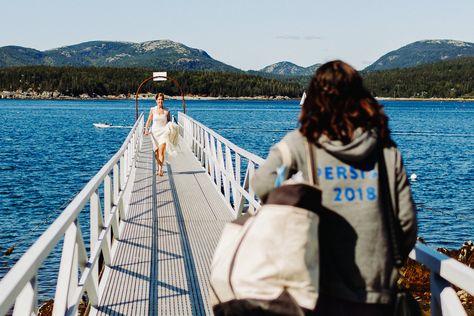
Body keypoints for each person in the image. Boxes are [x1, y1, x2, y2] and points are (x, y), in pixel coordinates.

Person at [251, 60, 417, 315]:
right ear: (361, 98)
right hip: (377, 293)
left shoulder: (304, 142)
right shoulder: (385, 148)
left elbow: (263, 182)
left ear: (315, 99)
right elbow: (406, 222)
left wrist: (294, 210)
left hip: (318, 288)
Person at [145, 92, 170, 176]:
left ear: (163, 101)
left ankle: (160, 170)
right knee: (156, 153)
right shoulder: (152, 109)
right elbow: (149, 120)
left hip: (164, 133)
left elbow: (169, 122)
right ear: (156, 100)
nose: (160, 101)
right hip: (154, 133)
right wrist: (146, 129)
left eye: (162, 99)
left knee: (161, 152)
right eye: (159, 99)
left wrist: (171, 129)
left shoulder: (167, 111)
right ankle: (159, 165)